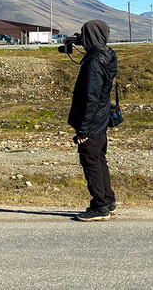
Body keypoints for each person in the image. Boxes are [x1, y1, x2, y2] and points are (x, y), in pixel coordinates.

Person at [67, 20, 118, 222]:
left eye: (83, 34)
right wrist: (77, 40)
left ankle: (100, 206)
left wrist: (83, 130)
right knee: (99, 159)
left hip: (92, 120)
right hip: (102, 118)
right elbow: (94, 41)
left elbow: (90, 97)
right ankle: (108, 200)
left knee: (90, 161)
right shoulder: (107, 54)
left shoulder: (93, 63)